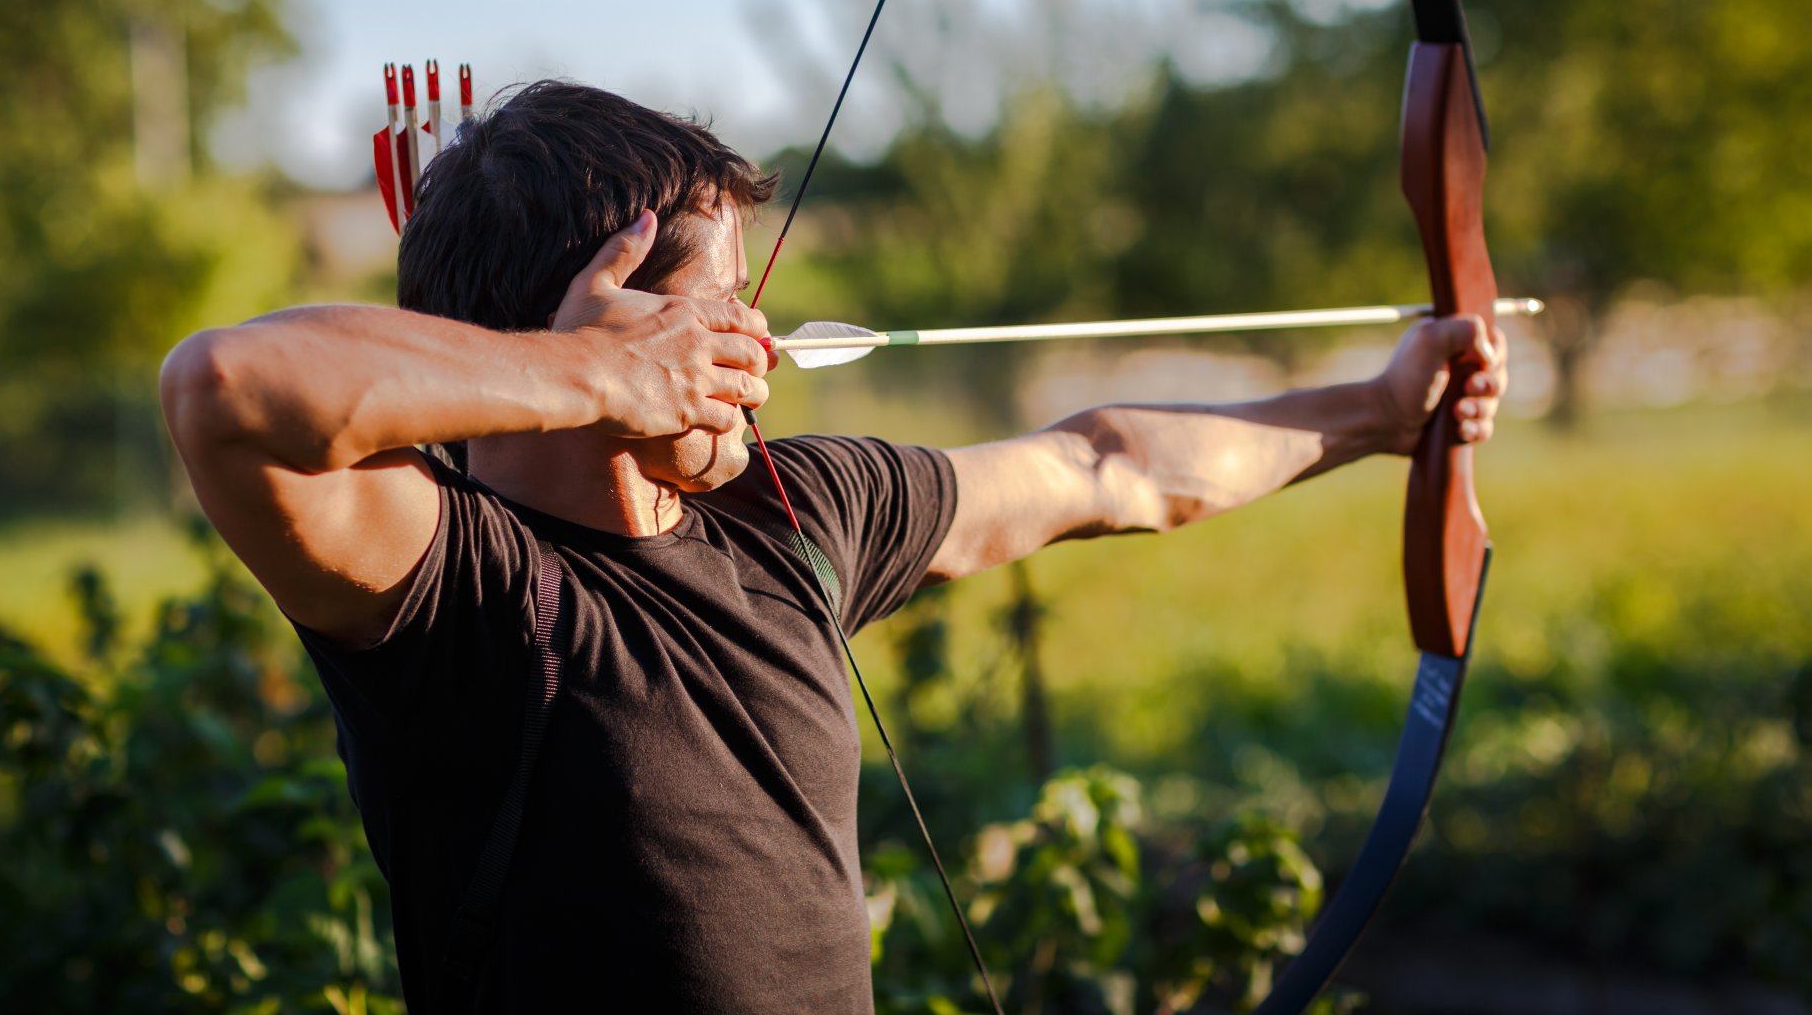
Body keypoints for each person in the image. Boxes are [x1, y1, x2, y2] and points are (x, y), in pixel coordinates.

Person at [159, 80, 1508, 1013]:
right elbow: (224, 389)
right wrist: (597, 381)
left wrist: (1382, 413)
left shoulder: (799, 514)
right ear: (605, 329)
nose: (759, 346)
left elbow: (1111, 467)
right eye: (721, 308)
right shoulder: (456, 586)